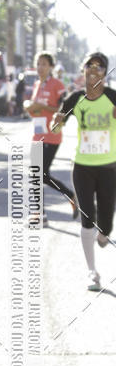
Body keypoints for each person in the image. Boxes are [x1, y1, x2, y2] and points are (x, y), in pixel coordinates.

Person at [52, 51, 116, 291]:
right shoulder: (76, 98)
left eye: (99, 67)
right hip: (82, 167)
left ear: (105, 72)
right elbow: (58, 122)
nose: (93, 70)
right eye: (90, 65)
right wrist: (56, 122)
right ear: (84, 70)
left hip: (110, 168)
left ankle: (104, 235)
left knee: (106, 224)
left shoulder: (112, 97)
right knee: (87, 218)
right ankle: (92, 272)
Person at [24, 51, 76, 225]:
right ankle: (41, 215)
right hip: (37, 134)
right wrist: (31, 107)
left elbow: (64, 109)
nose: (40, 67)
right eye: (38, 64)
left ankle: (69, 196)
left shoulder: (57, 84)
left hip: (52, 135)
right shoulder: (37, 84)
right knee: (36, 175)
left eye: (44, 64)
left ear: (51, 67)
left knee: (40, 174)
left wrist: (43, 106)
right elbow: (36, 109)